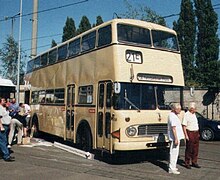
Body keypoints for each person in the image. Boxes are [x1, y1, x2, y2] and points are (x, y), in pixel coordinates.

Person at [182, 102, 201, 169]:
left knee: (196, 148)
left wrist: (198, 133)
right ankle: (187, 162)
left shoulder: (194, 114)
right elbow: (184, 126)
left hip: (196, 132)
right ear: (191, 108)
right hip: (190, 132)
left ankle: (194, 161)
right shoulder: (186, 115)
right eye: (195, 108)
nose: (196, 109)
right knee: (189, 148)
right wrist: (186, 135)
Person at [167, 103, 185, 174]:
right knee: (173, 153)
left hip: (176, 137)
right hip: (174, 138)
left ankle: (173, 166)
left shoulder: (174, 115)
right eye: (178, 109)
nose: (180, 110)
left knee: (175, 152)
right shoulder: (172, 116)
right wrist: (176, 139)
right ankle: (172, 168)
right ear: (174, 109)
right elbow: (173, 128)